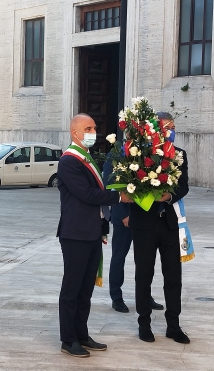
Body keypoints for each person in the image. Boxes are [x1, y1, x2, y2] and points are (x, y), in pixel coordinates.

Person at [57, 114, 132, 358]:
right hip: (75, 233)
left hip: (91, 232)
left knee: (85, 289)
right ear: (74, 132)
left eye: (94, 127)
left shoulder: (87, 158)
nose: (93, 131)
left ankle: (81, 333)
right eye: (87, 128)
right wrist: (119, 197)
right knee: (72, 288)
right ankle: (68, 340)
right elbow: (87, 194)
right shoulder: (70, 161)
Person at [129, 111, 191, 344]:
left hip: (170, 224)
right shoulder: (138, 154)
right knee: (143, 275)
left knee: (173, 276)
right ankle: (144, 324)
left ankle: (173, 325)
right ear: (153, 130)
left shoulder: (180, 155)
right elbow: (128, 185)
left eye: (173, 126)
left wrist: (168, 196)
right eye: (166, 127)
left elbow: (183, 186)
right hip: (144, 224)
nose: (171, 130)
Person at [102, 157, 164, 313]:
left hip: (144, 216)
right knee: (119, 256)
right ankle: (116, 297)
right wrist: (123, 214)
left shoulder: (147, 153)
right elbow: (110, 187)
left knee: (145, 259)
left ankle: (145, 295)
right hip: (123, 218)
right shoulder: (115, 156)